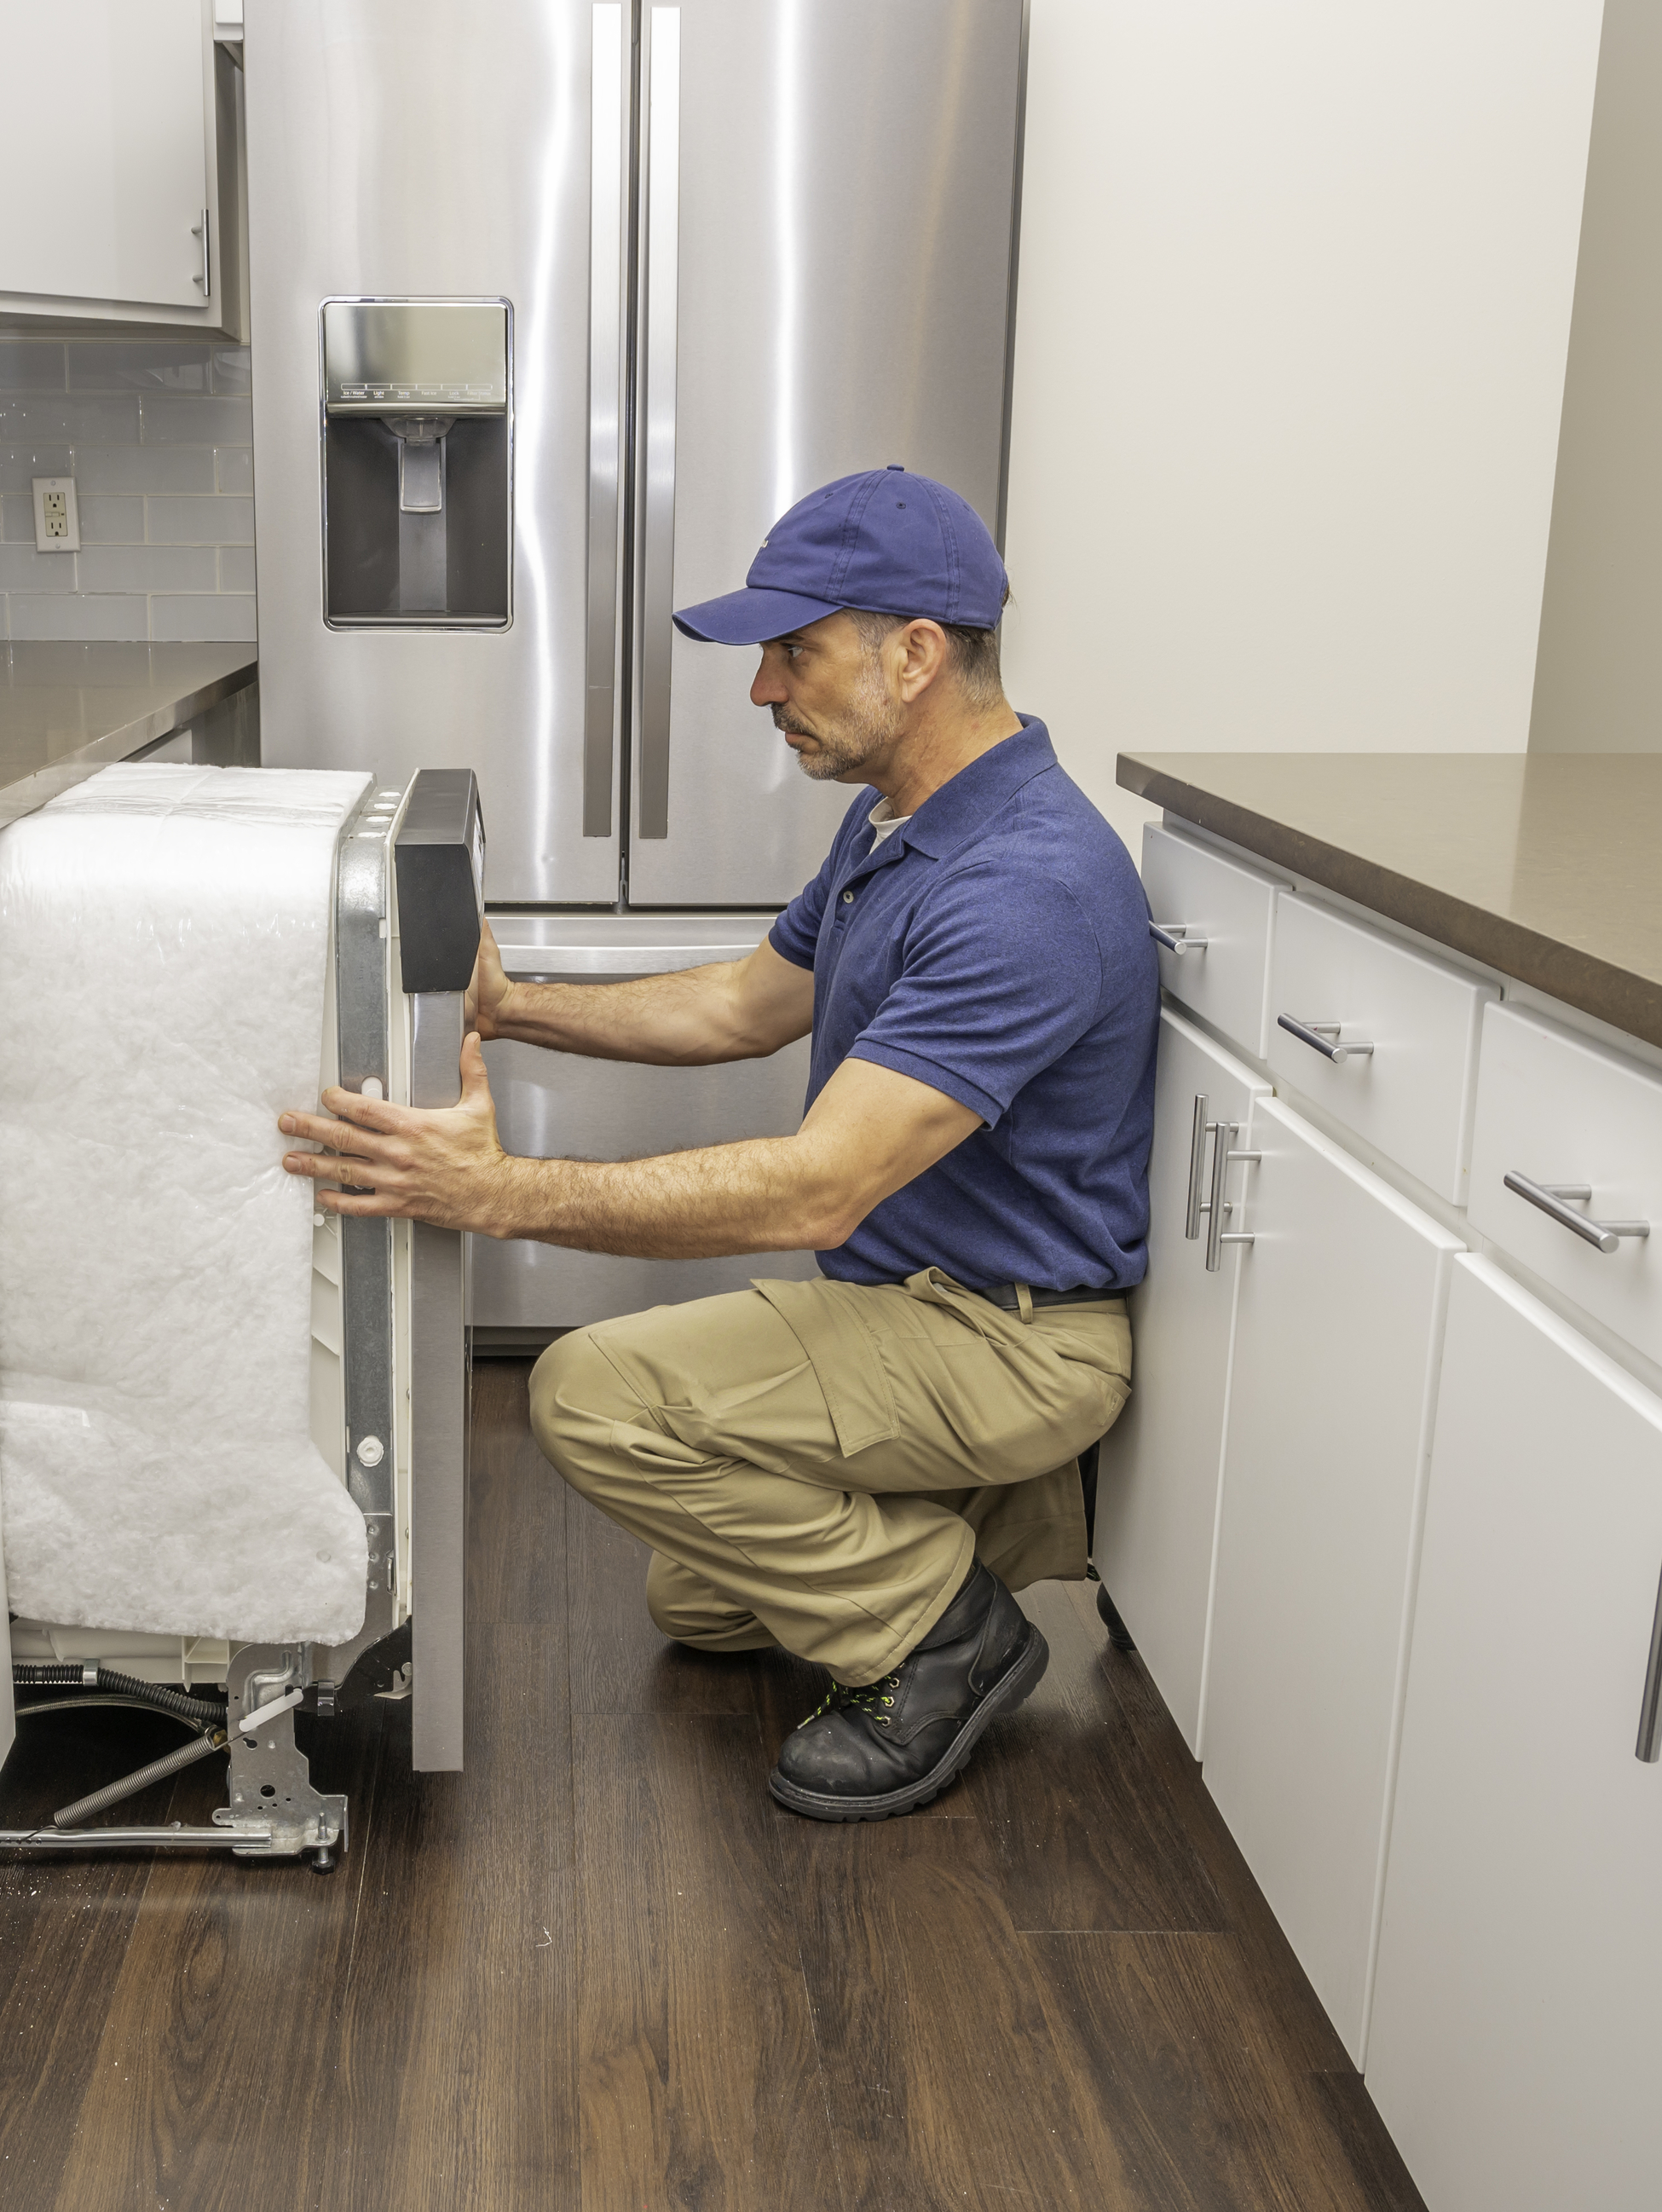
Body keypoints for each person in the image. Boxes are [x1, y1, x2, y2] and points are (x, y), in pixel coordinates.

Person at [276, 468, 1159, 1821]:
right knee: (695, 1590)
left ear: (915, 654)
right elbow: (746, 1003)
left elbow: (818, 1185)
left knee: (590, 1398)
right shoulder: (903, 822)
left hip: (1008, 1336)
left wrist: (498, 1193)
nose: (762, 690)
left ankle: (944, 1629)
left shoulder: (1022, 889)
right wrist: (516, 1010)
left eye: (793, 651)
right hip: (914, 1308)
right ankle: (1015, 1515)